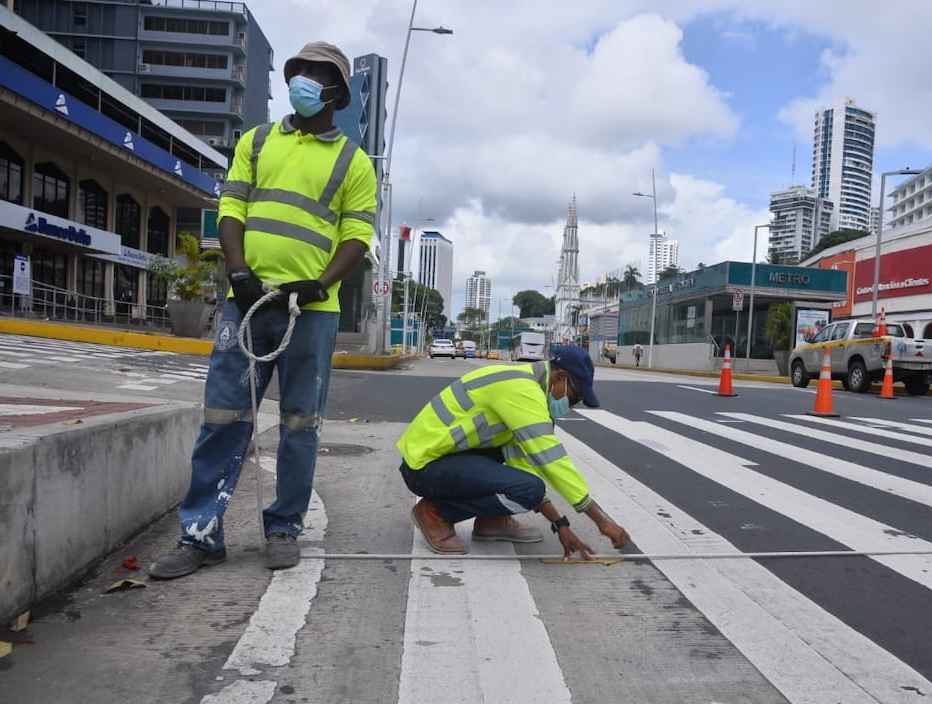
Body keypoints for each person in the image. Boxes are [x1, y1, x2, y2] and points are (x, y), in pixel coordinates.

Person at [149, 42, 377, 579]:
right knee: (223, 417)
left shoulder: (354, 162)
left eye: (316, 75)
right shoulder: (255, 142)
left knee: (301, 423)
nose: (303, 81)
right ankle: (200, 535)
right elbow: (232, 207)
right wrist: (237, 271)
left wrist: (320, 284)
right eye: (298, 72)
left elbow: (356, 235)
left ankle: (283, 529)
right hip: (246, 304)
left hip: (310, 313)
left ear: (336, 92)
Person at [397, 345, 631, 558]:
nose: (571, 405)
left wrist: (561, 525)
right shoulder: (522, 390)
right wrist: (603, 522)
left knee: (525, 484)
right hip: (425, 466)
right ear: (560, 378)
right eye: (575, 397)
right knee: (530, 488)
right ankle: (435, 512)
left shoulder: (523, 387)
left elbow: (523, 466)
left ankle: (491, 521)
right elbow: (552, 461)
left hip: (437, 459)